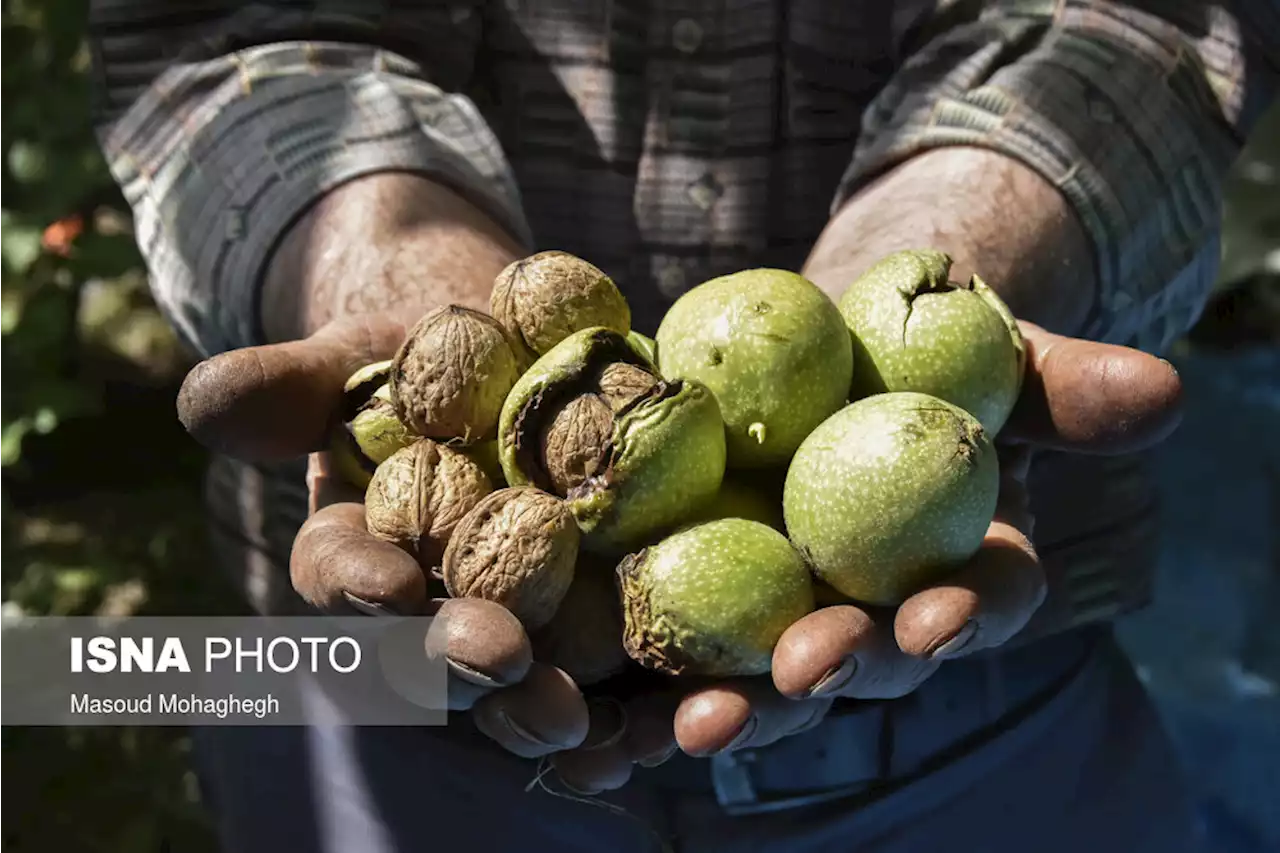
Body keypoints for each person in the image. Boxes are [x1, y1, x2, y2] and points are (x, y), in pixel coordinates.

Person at [87, 2, 1277, 851]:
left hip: (981, 697)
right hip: (354, 665)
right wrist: (370, 254)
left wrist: (973, 224)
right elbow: (220, 34)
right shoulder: (473, 461)